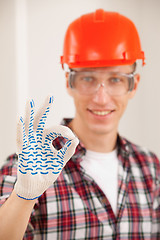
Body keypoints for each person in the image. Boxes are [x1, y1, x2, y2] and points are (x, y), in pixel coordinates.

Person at [0, 9, 160, 240]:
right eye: (88, 79)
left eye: (115, 80)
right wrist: (23, 196)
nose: (101, 98)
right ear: (69, 82)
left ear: (133, 85)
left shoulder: (150, 168)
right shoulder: (28, 167)